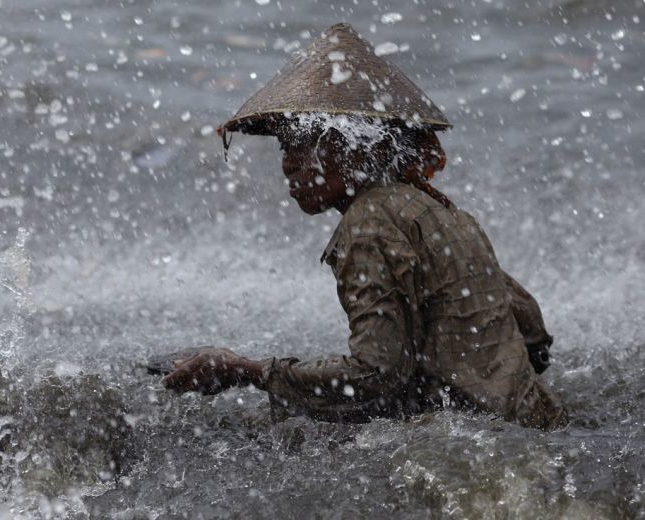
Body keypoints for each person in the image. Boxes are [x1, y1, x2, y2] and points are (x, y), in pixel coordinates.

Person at [152, 23, 568, 430]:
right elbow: (532, 333)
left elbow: (375, 374)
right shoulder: (445, 213)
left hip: (480, 440)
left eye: (303, 142)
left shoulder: (367, 225)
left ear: (355, 146)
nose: (288, 163)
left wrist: (247, 371)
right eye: (284, 145)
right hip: (538, 421)